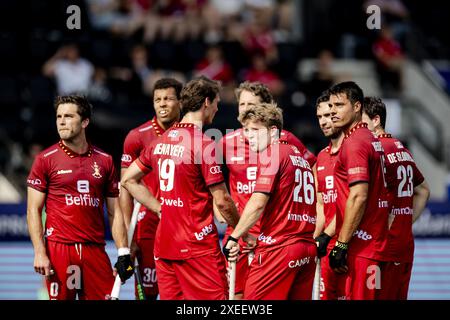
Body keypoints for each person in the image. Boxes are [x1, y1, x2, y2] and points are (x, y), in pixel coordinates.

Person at [121, 76, 241, 300]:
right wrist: (243, 232)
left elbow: (128, 180)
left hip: (164, 245)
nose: (216, 108)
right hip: (197, 247)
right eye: (216, 103)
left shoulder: (160, 141)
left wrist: (160, 208)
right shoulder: (203, 144)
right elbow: (222, 200)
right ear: (207, 101)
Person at [27, 95, 133, 300]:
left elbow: (115, 212)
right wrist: (40, 252)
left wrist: (123, 253)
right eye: (59, 116)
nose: (61, 121)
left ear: (85, 122)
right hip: (61, 251)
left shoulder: (105, 160)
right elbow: (33, 210)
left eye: (68, 116)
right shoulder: (44, 160)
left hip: (95, 250)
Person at [218, 81, 317, 299]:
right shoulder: (226, 142)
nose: (245, 109)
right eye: (241, 104)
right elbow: (211, 180)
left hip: (274, 238)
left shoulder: (280, 147)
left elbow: (259, 200)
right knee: (234, 295)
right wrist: (219, 204)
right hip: (263, 233)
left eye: (252, 105)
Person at [120, 78, 182, 300]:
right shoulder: (137, 137)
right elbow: (125, 187)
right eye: (157, 100)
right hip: (149, 226)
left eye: (168, 99)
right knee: (147, 293)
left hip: (183, 224)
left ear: (181, 102)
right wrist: (129, 236)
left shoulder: (192, 136)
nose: (162, 104)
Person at [362, 96, 430, 299]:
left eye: (361, 123)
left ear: (376, 121)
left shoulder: (377, 151)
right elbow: (424, 190)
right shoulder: (402, 149)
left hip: (382, 247)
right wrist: (406, 221)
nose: (356, 130)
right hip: (404, 243)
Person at [327, 81, 390, 300]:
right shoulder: (371, 139)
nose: (332, 111)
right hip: (373, 246)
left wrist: (341, 244)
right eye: (331, 106)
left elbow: (359, 196)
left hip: (361, 249)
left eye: (339, 105)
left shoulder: (355, 143)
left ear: (356, 107)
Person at [313, 90, 346, 300]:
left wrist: (330, 236)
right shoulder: (321, 157)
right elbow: (321, 205)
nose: (324, 122)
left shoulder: (353, 150)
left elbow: (355, 201)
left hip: (348, 245)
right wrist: (315, 239)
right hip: (326, 249)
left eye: (328, 116)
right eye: (319, 117)